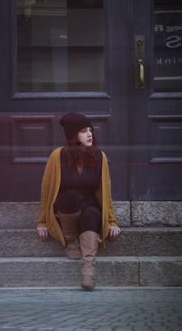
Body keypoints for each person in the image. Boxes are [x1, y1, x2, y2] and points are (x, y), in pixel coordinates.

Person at [36, 112, 121, 291]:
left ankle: (88, 270)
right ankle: (71, 240)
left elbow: (105, 192)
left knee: (91, 213)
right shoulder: (57, 156)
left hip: (89, 205)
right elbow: (47, 190)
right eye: (83, 131)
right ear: (73, 135)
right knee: (71, 196)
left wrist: (112, 221)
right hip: (66, 207)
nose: (90, 134)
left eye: (90, 130)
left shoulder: (99, 157)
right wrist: (42, 221)